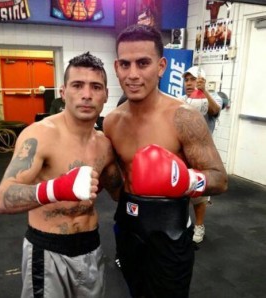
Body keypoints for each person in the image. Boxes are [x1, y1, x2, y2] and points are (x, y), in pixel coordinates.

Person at [103, 24, 228, 298]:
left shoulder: (183, 118)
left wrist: (185, 180)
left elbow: (219, 178)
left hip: (170, 232)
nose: (133, 74)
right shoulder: (112, 122)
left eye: (143, 63)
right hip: (128, 228)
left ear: (161, 66)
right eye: (125, 64)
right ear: (116, 67)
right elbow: (115, 188)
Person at [0, 52, 123, 298]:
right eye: (77, 85)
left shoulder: (105, 145)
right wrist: (57, 189)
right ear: (63, 92)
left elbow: (119, 193)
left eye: (96, 87)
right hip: (47, 250)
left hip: (90, 247)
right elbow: (3, 198)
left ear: (106, 94)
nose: (87, 95)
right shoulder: (40, 135)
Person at [180, 66, 223, 244]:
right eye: (186, 80)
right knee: (180, 189)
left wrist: (203, 90)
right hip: (183, 153)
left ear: (201, 80)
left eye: (192, 80)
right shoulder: (181, 99)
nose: (189, 83)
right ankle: (182, 223)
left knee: (199, 192)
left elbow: (215, 111)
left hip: (203, 154)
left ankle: (199, 226)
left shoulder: (211, 98)